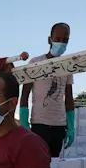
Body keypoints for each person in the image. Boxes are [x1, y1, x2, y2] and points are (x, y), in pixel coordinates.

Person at [19, 22, 75, 157]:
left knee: (54, 167)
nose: (61, 43)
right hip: (39, 125)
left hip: (59, 125)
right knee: (37, 164)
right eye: (58, 39)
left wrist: (71, 126)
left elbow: (68, 97)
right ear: (49, 40)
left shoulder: (67, 65)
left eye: (65, 40)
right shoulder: (35, 63)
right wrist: (23, 123)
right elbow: (25, 94)